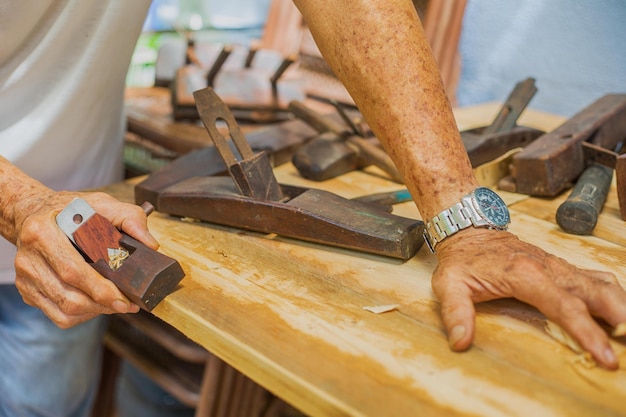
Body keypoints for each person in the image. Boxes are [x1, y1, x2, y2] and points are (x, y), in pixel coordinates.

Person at [1, 0, 625, 416]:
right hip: (38, 212)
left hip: (75, 229)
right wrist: (21, 202)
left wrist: (465, 220)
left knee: (43, 399)